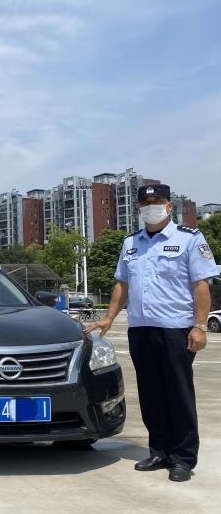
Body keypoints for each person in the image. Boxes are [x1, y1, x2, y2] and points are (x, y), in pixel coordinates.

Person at [85, 184, 218, 482]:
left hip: (176, 330)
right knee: (150, 393)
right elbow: (122, 284)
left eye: (157, 201)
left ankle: (182, 458)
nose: (151, 207)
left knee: (178, 393)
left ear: (169, 206)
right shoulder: (131, 243)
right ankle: (159, 450)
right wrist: (108, 318)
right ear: (138, 208)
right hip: (141, 329)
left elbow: (201, 285)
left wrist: (199, 326)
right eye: (145, 203)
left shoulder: (189, 238)